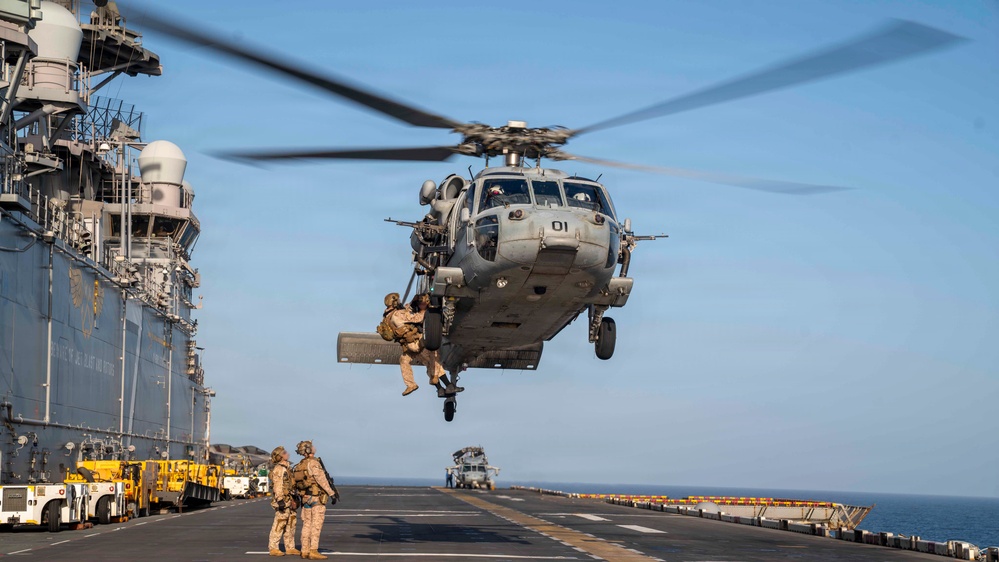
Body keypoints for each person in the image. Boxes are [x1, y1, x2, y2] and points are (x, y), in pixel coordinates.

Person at [389, 293, 445, 396]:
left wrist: (412, 303)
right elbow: (416, 318)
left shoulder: (390, 314)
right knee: (433, 351)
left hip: (411, 344)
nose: (421, 305)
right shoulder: (398, 314)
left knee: (405, 360)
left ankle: (435, 386)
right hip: (415, 342)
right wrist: (424, 311)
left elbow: (408, 312)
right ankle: (440, 382)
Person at [292, 441, 336, 560]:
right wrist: (332, 493)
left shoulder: (300, 464)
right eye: (312, 446)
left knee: (306, 525)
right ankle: (313, 550)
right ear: (308, 450)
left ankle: (304, 550)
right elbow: (321, 480)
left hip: (305, 498)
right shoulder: (314, 463)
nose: (314, 447)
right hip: (316, 498)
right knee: (316, 525)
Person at [268, 446, 301, 557]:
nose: (287, 453)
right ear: (280, 456)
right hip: (283, 500)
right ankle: (273, 547)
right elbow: (277, 485)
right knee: (279, 524)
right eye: (284, 452)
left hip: (291, 500)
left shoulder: (287, 468)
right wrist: (280, 500)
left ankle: (290, 547)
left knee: (291, 524)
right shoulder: (279, 469)